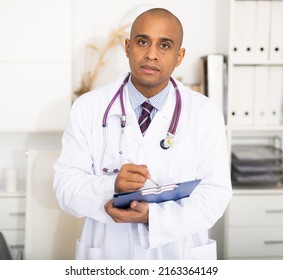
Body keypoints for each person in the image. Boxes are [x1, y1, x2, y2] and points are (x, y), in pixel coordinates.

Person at [53, 7, 232, 260]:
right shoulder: (88, 107)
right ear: (127, 47)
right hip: (108, 254)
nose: (151, 55)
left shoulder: (205, 113)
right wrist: (111, 186)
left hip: (178, 256)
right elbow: (65, 186)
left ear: (179, 56)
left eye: (165, 45)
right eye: (142, 41)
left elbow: (215, 195)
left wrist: (153, 217)